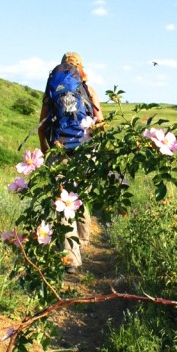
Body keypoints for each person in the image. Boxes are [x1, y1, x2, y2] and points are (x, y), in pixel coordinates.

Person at [38, 52, 104, 273]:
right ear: (81, 68)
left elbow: (42, 125)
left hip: (59, 148)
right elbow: (100, 123)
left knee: (63, 201)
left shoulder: (53, 90)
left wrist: (45, 148)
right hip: (85, 150)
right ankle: (83, 243)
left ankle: (71, 259)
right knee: (81, 196)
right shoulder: (89, 90)